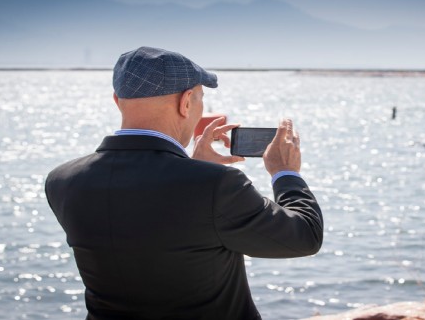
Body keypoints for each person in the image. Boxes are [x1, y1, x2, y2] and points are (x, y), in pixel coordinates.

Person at [45, 46, 324, 320]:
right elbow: (304, 237)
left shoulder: (62, 181)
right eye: (200, 100)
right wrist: (285, 172)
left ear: (117, 100)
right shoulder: (217, 186)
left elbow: (147, 222)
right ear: (186, 102)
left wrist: (195, 167)